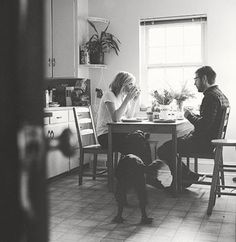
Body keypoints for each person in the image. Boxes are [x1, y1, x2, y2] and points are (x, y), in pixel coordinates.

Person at [157, 66, 230, 190]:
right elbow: (207, 120)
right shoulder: (220, 95)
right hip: (211, 141)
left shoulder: (210, 97)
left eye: (196, 79)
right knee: (175, 142)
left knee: (164, 149)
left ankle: (183, 179)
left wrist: (189, 116)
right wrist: (194, 115)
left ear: (204, 78)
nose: (194, 83)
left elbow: (203, 125)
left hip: (204, 143)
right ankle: (186, 176)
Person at [96, 71, 163, 188]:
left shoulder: (121, 98)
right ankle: (146, 175)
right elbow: (116, 118)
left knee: (140, 138)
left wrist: (134, 101)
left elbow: (129, 117)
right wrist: (127, 100)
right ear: (122, 84)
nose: (133, 87)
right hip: (106, 136)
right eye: (131, 84)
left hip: (117, 134)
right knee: (138, 140)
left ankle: (142, 175)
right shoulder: (109, 95)